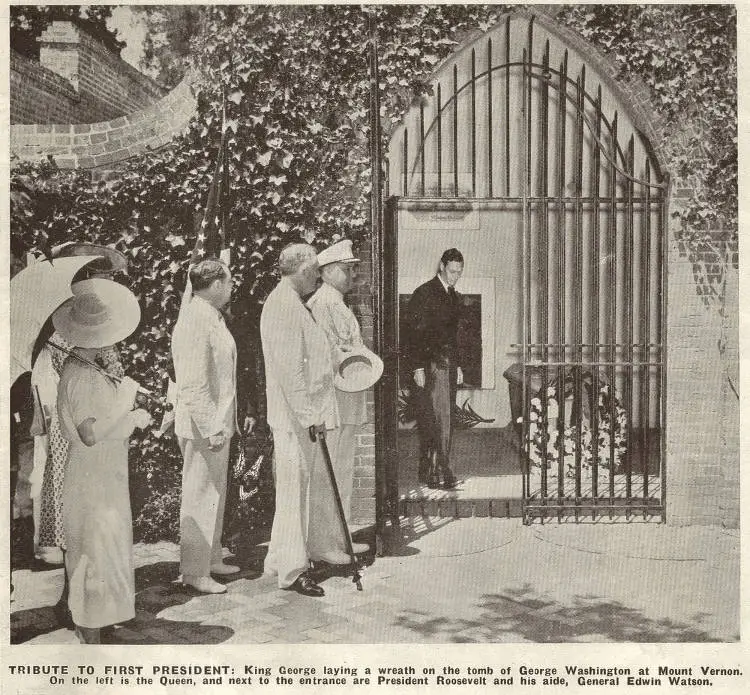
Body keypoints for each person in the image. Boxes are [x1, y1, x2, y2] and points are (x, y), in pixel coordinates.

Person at [53, 279, 151, 644]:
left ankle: (101, 619)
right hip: (90, 476)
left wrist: (131, 414)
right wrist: (128, 405)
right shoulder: (78, 374)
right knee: (93, 549)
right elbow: (89, 434)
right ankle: (88, 632)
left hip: (107, 473)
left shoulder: (93, 370)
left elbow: (106, 423)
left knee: (108, 547)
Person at [260, 243, 349, 597]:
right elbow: (290, 371)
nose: (317, 274)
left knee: (295, 491)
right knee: (295, 493)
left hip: (300, 417)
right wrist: (310, 416)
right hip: (295, 419)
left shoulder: (292, 302)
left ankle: (280, 559)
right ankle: (294, 572)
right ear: (299, 269)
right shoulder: (283, 306)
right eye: (313, 268)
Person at [171, 258, 239, 594]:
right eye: (228, 282)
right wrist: (211, 425)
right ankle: (194, 571)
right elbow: (192, 383)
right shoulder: (196, 319)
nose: (231, 287)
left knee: (214, 492)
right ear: (214, 284)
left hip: (216, 423)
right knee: (199, 495)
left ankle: (210, 557)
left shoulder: (208, 315)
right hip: (203, 425)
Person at [307, 240, 370, 542]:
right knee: (329, 472)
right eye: (346, 270)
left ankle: (338, 537)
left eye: (352, 269)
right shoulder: (323, 304)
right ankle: (325, 540)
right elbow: (328, 354)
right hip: (334, 399)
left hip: (347, 398)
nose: (351, 275)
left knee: (342, 470)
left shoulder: (336, 303)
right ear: (329, 272)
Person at [404, 248, 465, 489]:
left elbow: (454, 336)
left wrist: (458, 366)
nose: (455, 277)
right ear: (441, 266)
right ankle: (437, 471)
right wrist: (417, 367)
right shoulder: (424, 293)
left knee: (445, 417)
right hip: (432, 366)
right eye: (452, 271)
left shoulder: (452, 295)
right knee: (437, 419)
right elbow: (412, 335)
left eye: (459, 273)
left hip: (448, 365)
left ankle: (437, 468)